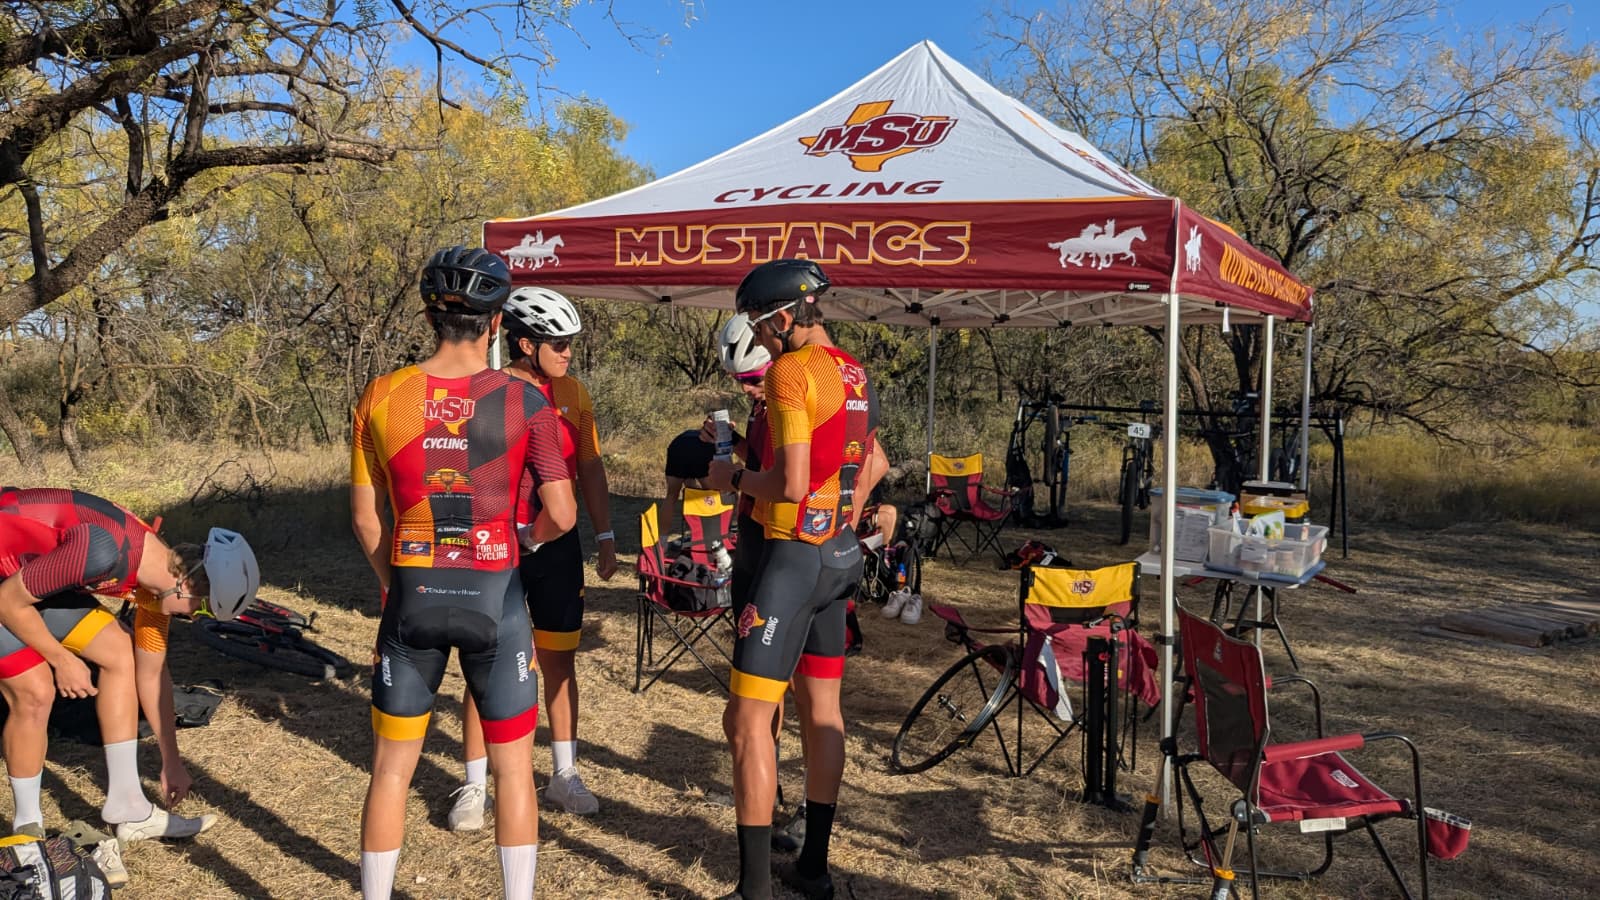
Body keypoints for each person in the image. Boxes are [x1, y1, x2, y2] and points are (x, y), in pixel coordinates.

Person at [351, 246, 576, 900]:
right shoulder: (525, 400)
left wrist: (396, 589)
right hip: (496, 596)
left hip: (411, 596)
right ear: (498, 321)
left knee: (392, 770)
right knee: (513, 771)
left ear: (428, 315)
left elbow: (368, 524)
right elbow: (560, 512)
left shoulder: (382, 394)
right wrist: (523, 541)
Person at [707, 259, 881, 900]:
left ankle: (754, 891)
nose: (762, 336)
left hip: (792, 557)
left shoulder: (788, 373)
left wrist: (733, 480)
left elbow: (791, 481)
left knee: (747, 722)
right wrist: (848, 513)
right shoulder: (854, 369)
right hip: (838, 553)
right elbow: (867, 461)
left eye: (761, 323)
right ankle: (814, 869)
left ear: (783, 316)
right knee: (822, 714)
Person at [0, 487, 252, 883]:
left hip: (24, 575)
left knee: (122, 654)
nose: (194, 618)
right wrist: (62, 659)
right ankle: (26, 833)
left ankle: (128, 804)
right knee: (36, 692)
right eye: (200, 610)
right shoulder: (101, 552)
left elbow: (152, 675)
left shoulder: (156, 581)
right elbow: (8, 602)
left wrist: (171, 761)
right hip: (7, 589)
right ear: (187, 586)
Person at [443, 286, 616, 830]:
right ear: (523, 343)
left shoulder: (575, 394)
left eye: (570, 343)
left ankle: (564, 773)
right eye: (556, 342)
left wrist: (607, 532)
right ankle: (474, 783)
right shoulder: (483, 392)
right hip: (499, 543)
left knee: (560, 661)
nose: (567, 352)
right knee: (483, 664)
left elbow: (588, 468)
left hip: (556, 544)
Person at [662, 428, 715, 535]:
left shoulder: (690, 437)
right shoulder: (713, 440)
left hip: (678, 446)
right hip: (703, 449)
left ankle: (662, 540)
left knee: (671, 496)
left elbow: (690, 485)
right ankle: (711, 534)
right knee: (712, 494)